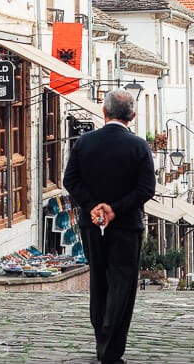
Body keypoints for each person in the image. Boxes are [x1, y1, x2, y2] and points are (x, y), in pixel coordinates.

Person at [63, 88, 155, 364]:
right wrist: (115, 209)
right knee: (122, 286)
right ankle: (111, 349)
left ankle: (101, 339)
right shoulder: (139, 146)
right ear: (133, 116)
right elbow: (146, 189)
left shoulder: (85, 142)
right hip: (126, 227)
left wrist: (94, 206)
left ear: (104, 112)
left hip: (92, 225)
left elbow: (71, 181)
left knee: (99, 282)